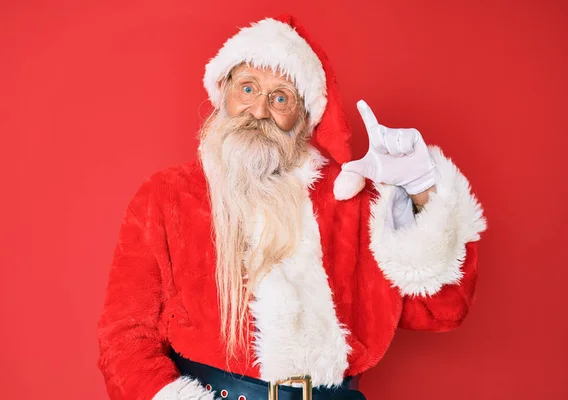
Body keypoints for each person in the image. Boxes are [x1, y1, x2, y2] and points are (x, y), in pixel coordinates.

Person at [97, 14, 486, 400]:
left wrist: (421, 192)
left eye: (280, 97)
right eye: (247, 88)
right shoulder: (167, 197)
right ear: (222, 94)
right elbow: (125, 339)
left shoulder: (350, 201)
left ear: (303, 119)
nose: (260, 110)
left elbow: (442, 310)